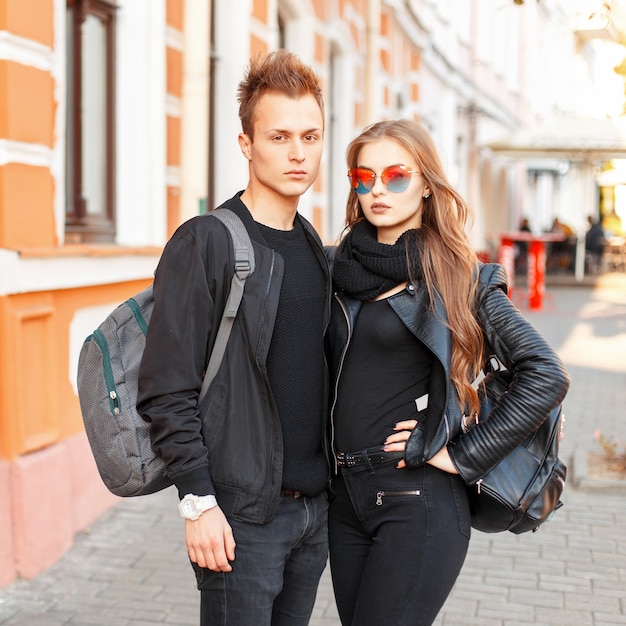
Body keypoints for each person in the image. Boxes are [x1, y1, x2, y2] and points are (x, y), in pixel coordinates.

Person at [326, 119, 570, 626]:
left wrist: (461, 456)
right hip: (345, 498)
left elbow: (546, 373)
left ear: (426, 186)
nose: (377, 190)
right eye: (362, 177)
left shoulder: (461, 279)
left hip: (417, 503)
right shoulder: (337, 269)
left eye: (395, 176)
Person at [137, 50, 331, 625]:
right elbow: (165, 385)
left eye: (310, 135)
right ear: (246, 144)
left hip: (312, 516)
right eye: (279, 136)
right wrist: (197, 503)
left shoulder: (313, 246)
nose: (298, 152)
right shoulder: (207, 241)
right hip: (241, 518)